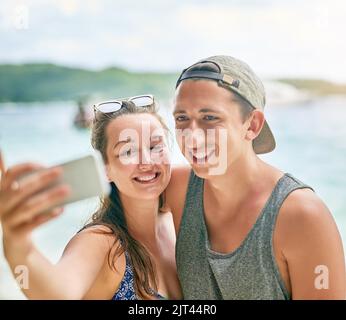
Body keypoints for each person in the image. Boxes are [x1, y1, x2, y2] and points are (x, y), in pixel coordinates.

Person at [165, 55, 346, 299]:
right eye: (182, 118)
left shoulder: (301, 215)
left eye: (210, 118)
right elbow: (112, 205)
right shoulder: (176, 188)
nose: (191, 136)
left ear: (252, 125)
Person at [0, 96, 181, 300]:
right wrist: (18, 246)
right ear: (106, 169)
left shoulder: (179, 222)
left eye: (155, 146)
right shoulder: (101, 242)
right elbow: (57, 294)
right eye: (128, 151)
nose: (147, 162)